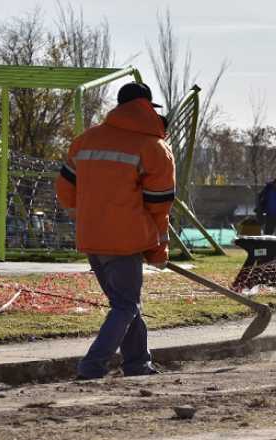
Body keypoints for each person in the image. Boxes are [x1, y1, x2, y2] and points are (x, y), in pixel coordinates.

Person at [56, 82, 175, 379]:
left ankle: (138, 363)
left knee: (126, 304)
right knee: (126, 305)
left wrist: (86, 218)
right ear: (148, 108)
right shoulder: (154, 147)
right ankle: (92, 365)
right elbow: (158, 206)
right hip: (125, 242)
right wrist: (158, 249)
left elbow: (65, 188)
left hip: (92, 238)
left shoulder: (86, 140)